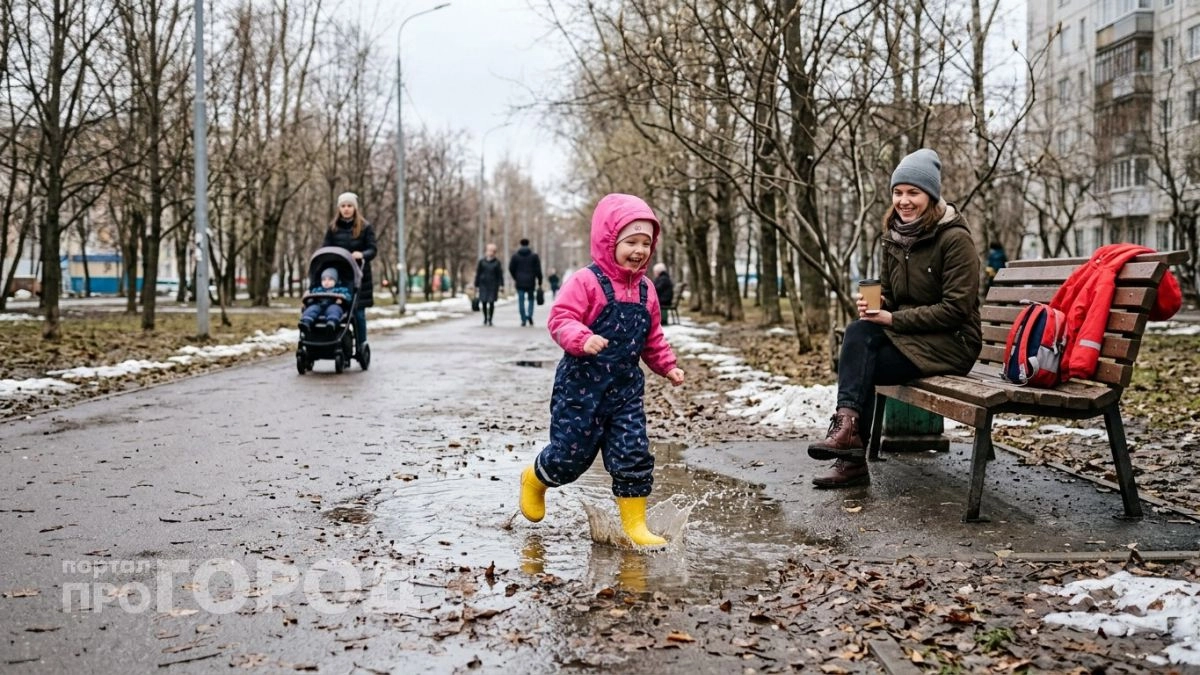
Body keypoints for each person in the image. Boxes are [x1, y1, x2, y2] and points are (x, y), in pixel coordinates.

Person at [517, 193, 686, 547]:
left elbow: (652, 338)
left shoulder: (647, 291)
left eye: (646, 243)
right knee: (570, 456)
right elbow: (561, 318)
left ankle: (635, 526)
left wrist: (667, 366)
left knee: (632, 451)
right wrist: (582, 337)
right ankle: (535, 479)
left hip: (624, 391)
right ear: (610, 241)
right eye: (631, 242)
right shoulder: (587, 281)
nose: (639, 250)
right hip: (581, 388)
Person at [808, 149, 981, 488]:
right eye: (898, 192)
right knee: (859, 335)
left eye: (913, 193)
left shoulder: (955, 239)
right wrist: (879, 303)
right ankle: (848, 439)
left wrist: (892, 319)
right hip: (916, 339)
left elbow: (956, 309)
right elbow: (889, 290)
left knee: (863, 354)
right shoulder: (894, 236)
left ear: (930, 196)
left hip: (953, 343)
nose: (904, 201)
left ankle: (849, 453)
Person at [322, 193, 377, 351]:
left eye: (349, 206)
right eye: (343, 206)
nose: (346, 209)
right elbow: (325, 246)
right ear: (339, 208)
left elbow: (372, 249)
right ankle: (337, 342)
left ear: (355, 208)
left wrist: (362, 254)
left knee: (358, 314)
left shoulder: (365, 227)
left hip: (359, 277)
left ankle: (361, 344)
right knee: (337, 310)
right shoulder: (333, 228)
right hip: (338, 275)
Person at [509, 238, 543, 326]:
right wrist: (539, 280)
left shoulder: (515, 256)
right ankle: (530, 315)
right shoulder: (534, 256)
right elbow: (538, 270)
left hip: (520, 282)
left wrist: (515, 277)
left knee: (521, 300)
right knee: (531, 299)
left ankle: (523, 319)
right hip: (531, 281)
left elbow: (511, 268)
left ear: (520, 244)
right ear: (528, 244)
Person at [474, 243, 504, 326]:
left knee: (491, 302)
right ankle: (485, 318)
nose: (490, 252)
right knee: (483, 302)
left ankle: (490, 318)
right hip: (483, 284)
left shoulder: (497, 263)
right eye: (489, 250)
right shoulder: (482, 262)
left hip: (493, 285)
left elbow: (500, 274)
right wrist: (476, 285)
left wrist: (501, 285)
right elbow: (478, 273)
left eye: (492, 251)